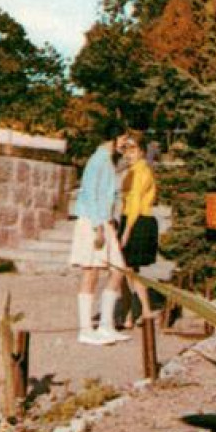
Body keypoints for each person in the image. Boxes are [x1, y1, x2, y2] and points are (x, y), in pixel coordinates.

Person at [69, 136, 130, 346]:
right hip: (92, 222)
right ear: (112, 137)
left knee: (118, 270)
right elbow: (89, 194)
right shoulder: (97, 160)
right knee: (91, 273)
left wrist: (110, 221)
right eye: (123, 138)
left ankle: (105, 326)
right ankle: (85, 330)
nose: (125, 143)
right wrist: (98, 227)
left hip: (104, 222)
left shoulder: (108, 160)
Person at [118, 132, 159, 325]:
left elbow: (135, 204)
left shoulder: (142, 172)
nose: (128, 154)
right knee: (124, 269)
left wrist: (126, 232)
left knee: (129, 269)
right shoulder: (130, 171)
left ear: (142, 152)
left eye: (133, 149)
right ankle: (131, 311)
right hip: (128, 219)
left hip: (138, 221)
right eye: (126, 150)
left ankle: (143, 309)